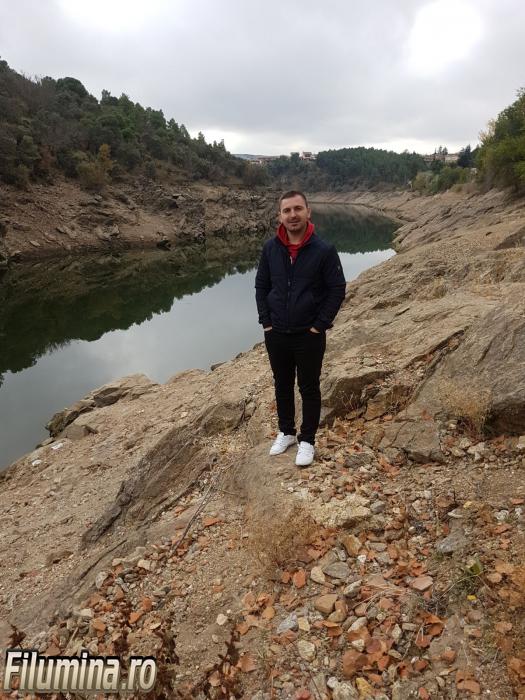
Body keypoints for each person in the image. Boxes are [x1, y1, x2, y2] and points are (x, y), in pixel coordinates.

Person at [255, 190, 346, 466]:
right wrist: (266, 323)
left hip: (309, 335)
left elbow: (337, 289)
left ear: (308, 212)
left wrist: (319, 326)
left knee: (309, 387)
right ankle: (286, 432)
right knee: (282, 384)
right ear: (279, 216)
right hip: (277, 333)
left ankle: (307, 440)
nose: (292, 215)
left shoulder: (324, 250)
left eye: (297, 209)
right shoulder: (270, 249)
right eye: (287, 210)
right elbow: (261, 286)